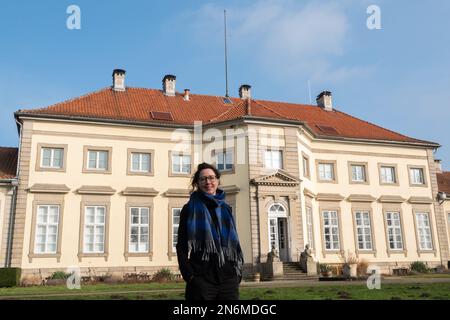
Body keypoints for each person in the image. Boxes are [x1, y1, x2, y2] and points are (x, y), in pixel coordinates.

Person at [176, 162, 244, 300]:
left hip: (228, 278)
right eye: (203, 179)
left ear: (217, 180)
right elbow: (181, 245)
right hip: (201, 278)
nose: (208, 182)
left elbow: (234, 241)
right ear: (197, 183)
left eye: (211, 178)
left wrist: (237, 275)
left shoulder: (226, 208)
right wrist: (189, 276)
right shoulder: (189, 209)